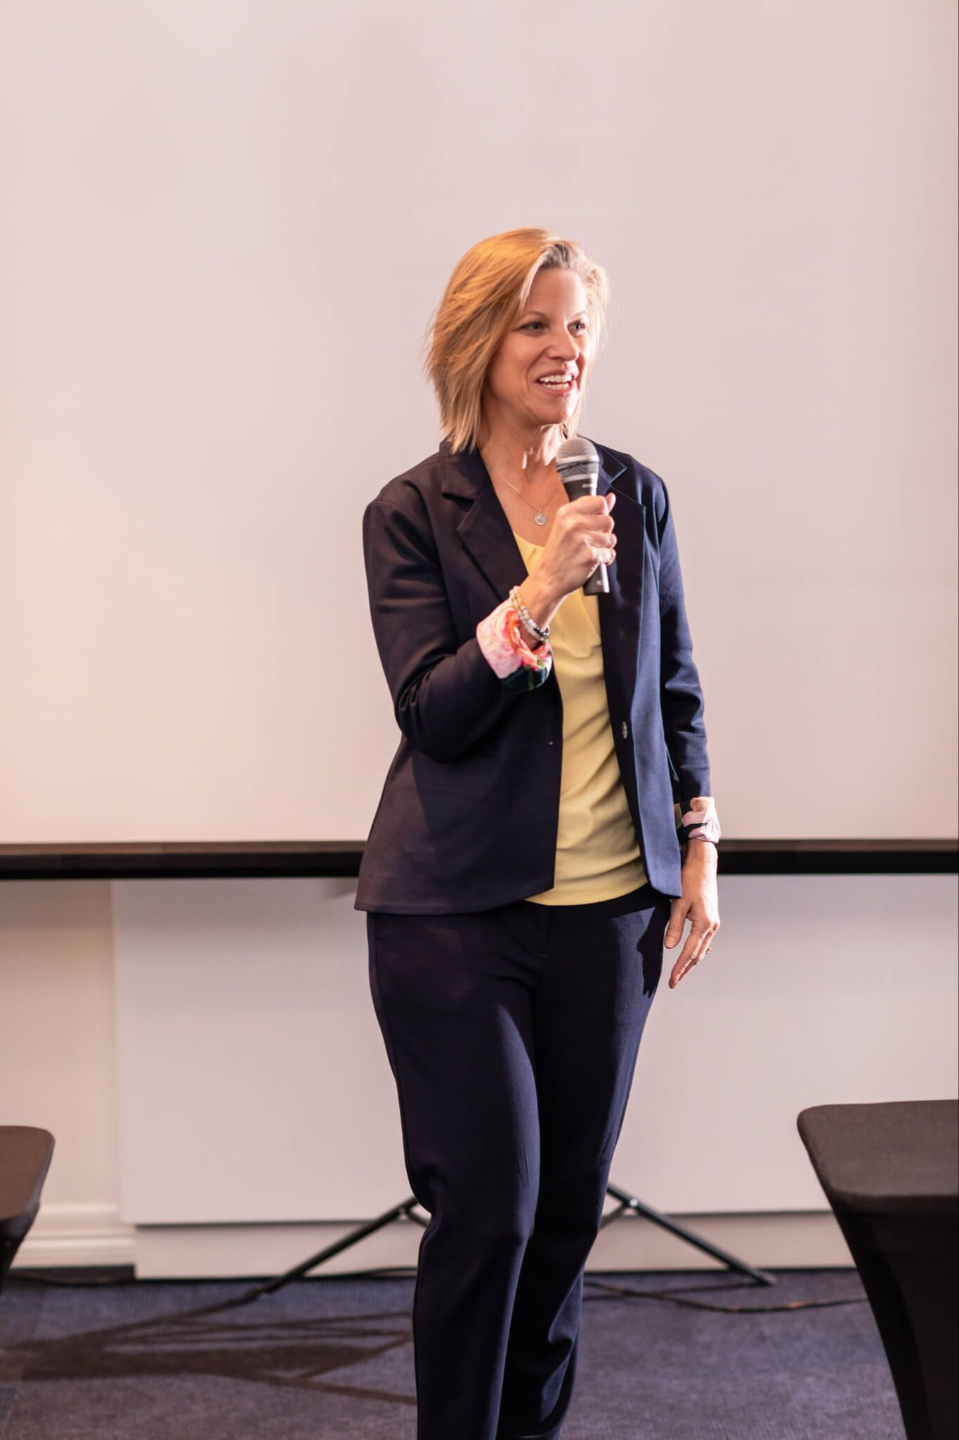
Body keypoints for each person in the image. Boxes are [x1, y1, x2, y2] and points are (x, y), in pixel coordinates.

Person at [355, 227, 721, 1440]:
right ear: (477, 342)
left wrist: (699, 852)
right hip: (454, 919)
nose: (563, 349)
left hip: (609, 919)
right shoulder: (411, 511)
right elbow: (432, 713)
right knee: (492, 1218)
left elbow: (672, 688)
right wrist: (537, 591)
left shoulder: (633, 493)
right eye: (534, 324)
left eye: (575, 326)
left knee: (564, 1218)